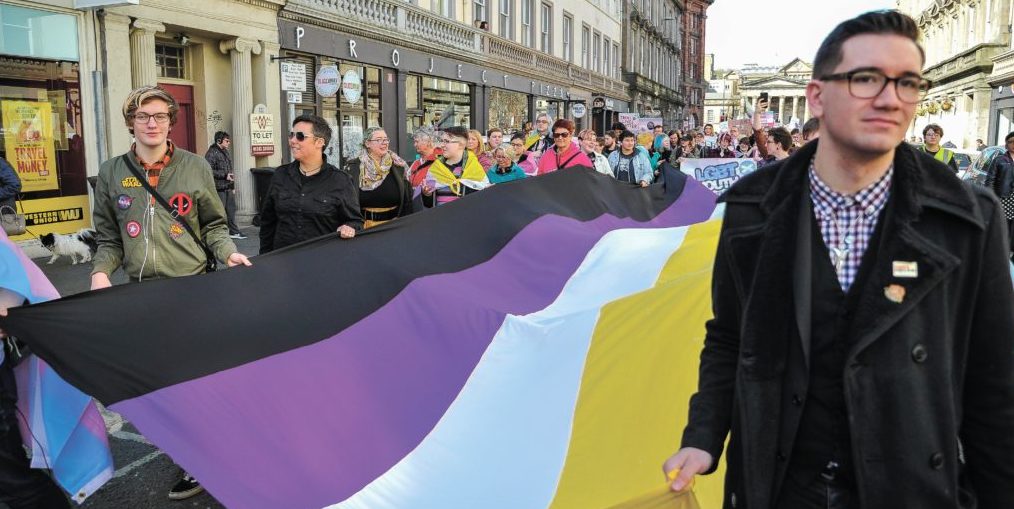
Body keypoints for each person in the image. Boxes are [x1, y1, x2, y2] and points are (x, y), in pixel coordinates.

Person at [664, 10, 1014, 508]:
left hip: (907, 484)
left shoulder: (968, 220)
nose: (890, 98)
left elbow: (994, 384)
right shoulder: (750, 210)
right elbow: (729, 337)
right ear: (817, 95)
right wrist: (702, 436)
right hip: (781, 483)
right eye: (866, 78)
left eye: (907, 83)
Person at [91, 85, 252, 501]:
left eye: (159, 116)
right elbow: (109, 238)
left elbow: (215, 225)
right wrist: (99, 273)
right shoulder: (111, 172)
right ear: (131, 121)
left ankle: (211, 456)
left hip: (193, 291)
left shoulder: (195, 166)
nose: (151, 123)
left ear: (170, 122)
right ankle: (192, 454)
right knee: (162, 387)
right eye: (143, 116)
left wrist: (229, 252)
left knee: (201, 381)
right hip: (142, 297)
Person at [259, 114, 362, 253]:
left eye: (300, 136)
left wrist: (349, 227)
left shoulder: (340, 180)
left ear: (319, 142)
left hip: (321, 261)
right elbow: (268, 223)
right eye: (292, 135)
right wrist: (264, 259)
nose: (293, 141)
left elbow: (355, 222)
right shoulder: (280, 175)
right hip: (282, 261)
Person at [346, 127, 413, 229]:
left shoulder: (397, 165)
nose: (384, 143)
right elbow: (346, 201)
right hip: (364, 228)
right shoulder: (353, 167)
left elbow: (407, 199)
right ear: (367, 143)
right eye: (379, 140)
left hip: (394, 227)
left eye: (386, 139)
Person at [421, 126, 489, 207]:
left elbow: (482, 199)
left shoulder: (473, 167)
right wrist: (427, 194)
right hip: (441, 217)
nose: (442, 145)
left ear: (460, 144)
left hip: (466, 217)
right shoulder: (435, 169)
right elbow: (429, 204)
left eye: (446, 141)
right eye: (441, 141)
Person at [204, 131, 244, 239]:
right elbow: (208, 171)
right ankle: (220, 233)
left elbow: (229, 170)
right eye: (226, 141)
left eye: (229, 141)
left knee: (231, 210)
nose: (228, 143)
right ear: (219, 141)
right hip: (218, 188)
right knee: (220, 212)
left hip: (228, 187)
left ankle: (234, 231)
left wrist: (232, 186)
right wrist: (224, 175)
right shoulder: (211, 153)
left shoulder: (225, 152)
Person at [984, 131, 1014, 252]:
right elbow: (990, 180)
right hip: (1004, 198)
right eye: (1011, 141)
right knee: (1003, 226)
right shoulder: (999, 160)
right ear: (1006, 144)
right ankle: (1001, 250)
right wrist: (992, 198)